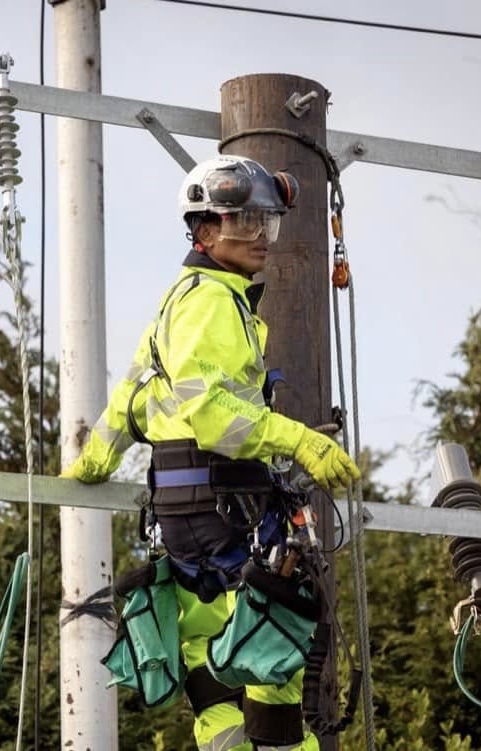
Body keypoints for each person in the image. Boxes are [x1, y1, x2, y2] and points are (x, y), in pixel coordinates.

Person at [63, 154, 360, 750]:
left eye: (268, 224)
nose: (261, 238)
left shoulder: (177, 301)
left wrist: (91, 464)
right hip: (231, 509)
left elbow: (130, 396)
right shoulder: (213, 301)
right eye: (244, 223)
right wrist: (296, 437)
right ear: (204, 231)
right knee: (272, 640)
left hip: (181, 521)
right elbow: (215, 414)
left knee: (204, 642)